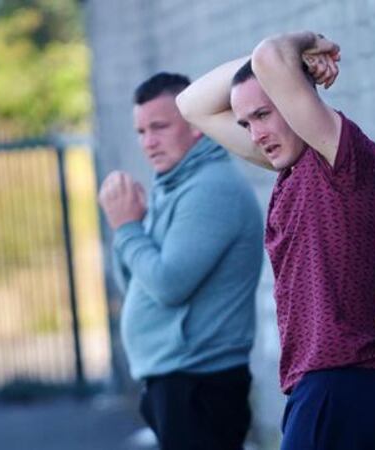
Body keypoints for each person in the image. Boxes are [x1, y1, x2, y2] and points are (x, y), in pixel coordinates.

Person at [177, 32, 375, 449]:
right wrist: (281, 65)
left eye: (264, 114)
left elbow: (269, 56)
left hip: (346, 379)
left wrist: (306, 47)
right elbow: (191, 104)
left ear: (293, 99)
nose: (256, 134)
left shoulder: (344, 159)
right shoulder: (291, 170)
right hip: (326, 384)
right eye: (246, 123)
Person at [98, 72, 264, 450]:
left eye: (159, 127)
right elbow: (138, 286)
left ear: (197, 127)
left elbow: (169, 285)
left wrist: (126, 229)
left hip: (200, 382)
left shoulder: (210, 188)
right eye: (141, 132)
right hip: (176, 379)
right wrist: (130, 228)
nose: (148, 143)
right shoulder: (173, 184)